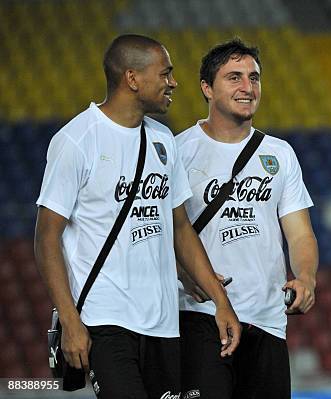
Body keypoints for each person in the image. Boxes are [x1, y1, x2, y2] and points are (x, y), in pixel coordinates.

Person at [34, 34, 241, 399]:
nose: (173, 83)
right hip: (105, 321)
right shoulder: (77, 141)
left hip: (163, 324)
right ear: (132, 78)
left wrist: (219, 300)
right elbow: (46, 237)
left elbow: (179, 227)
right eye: (165, 74)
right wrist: (69, 320)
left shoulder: (162, 140)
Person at [175, 38, 318, 399]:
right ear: (206, 88)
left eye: (254, 78)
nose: (247, 87)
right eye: (234, 77)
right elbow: (161, 233)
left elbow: (300, 235)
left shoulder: (279, 153)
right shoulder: (177, 151)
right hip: (198, 313)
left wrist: (306, 277)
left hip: (267, 319)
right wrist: (181, 272)